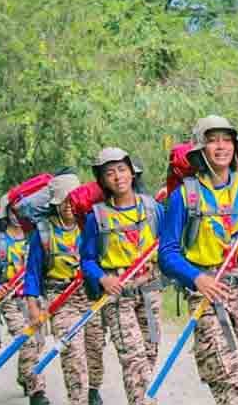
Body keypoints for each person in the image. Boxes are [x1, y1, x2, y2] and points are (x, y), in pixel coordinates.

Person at [159, 115, 238, 405]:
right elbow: (167, 254)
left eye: (226, 140)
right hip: (206, 292)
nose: (221, 146)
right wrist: (197, 278)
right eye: (212, 141)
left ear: (235, 148)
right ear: (201, 149)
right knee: (228, 373)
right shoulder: (185, 195)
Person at [80, 148, 164, 405]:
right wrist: (102, 279)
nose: (117, 177)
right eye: (110, 173)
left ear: (132, 172)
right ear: (103, 180)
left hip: (150, 291)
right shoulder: (96, 217)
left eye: (122, 169)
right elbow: (87, 260)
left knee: (149, 354)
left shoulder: (152, 208)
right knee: (134, 359)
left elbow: (170, 244)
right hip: (117, 297)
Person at [25, 173, 105, 405]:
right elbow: (32, 273)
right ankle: (78, 399)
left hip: (90, 295)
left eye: (72, 200)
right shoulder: (43, 232)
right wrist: (33, 306)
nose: (69, 206)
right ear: (55, 204)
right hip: (60, 299)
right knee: (73, 354)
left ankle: (93, 390)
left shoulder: (91, 223)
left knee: (95, 348)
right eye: (63, 201)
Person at [0, 194, 50, 405]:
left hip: (33, 297)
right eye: (12, 211)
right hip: (9, 300)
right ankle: (37, 391)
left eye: (20, 210)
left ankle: (25, 376)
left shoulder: (35, 237)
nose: (17, 215)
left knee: (38, 342)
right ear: (6, 212)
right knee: (27, 341)